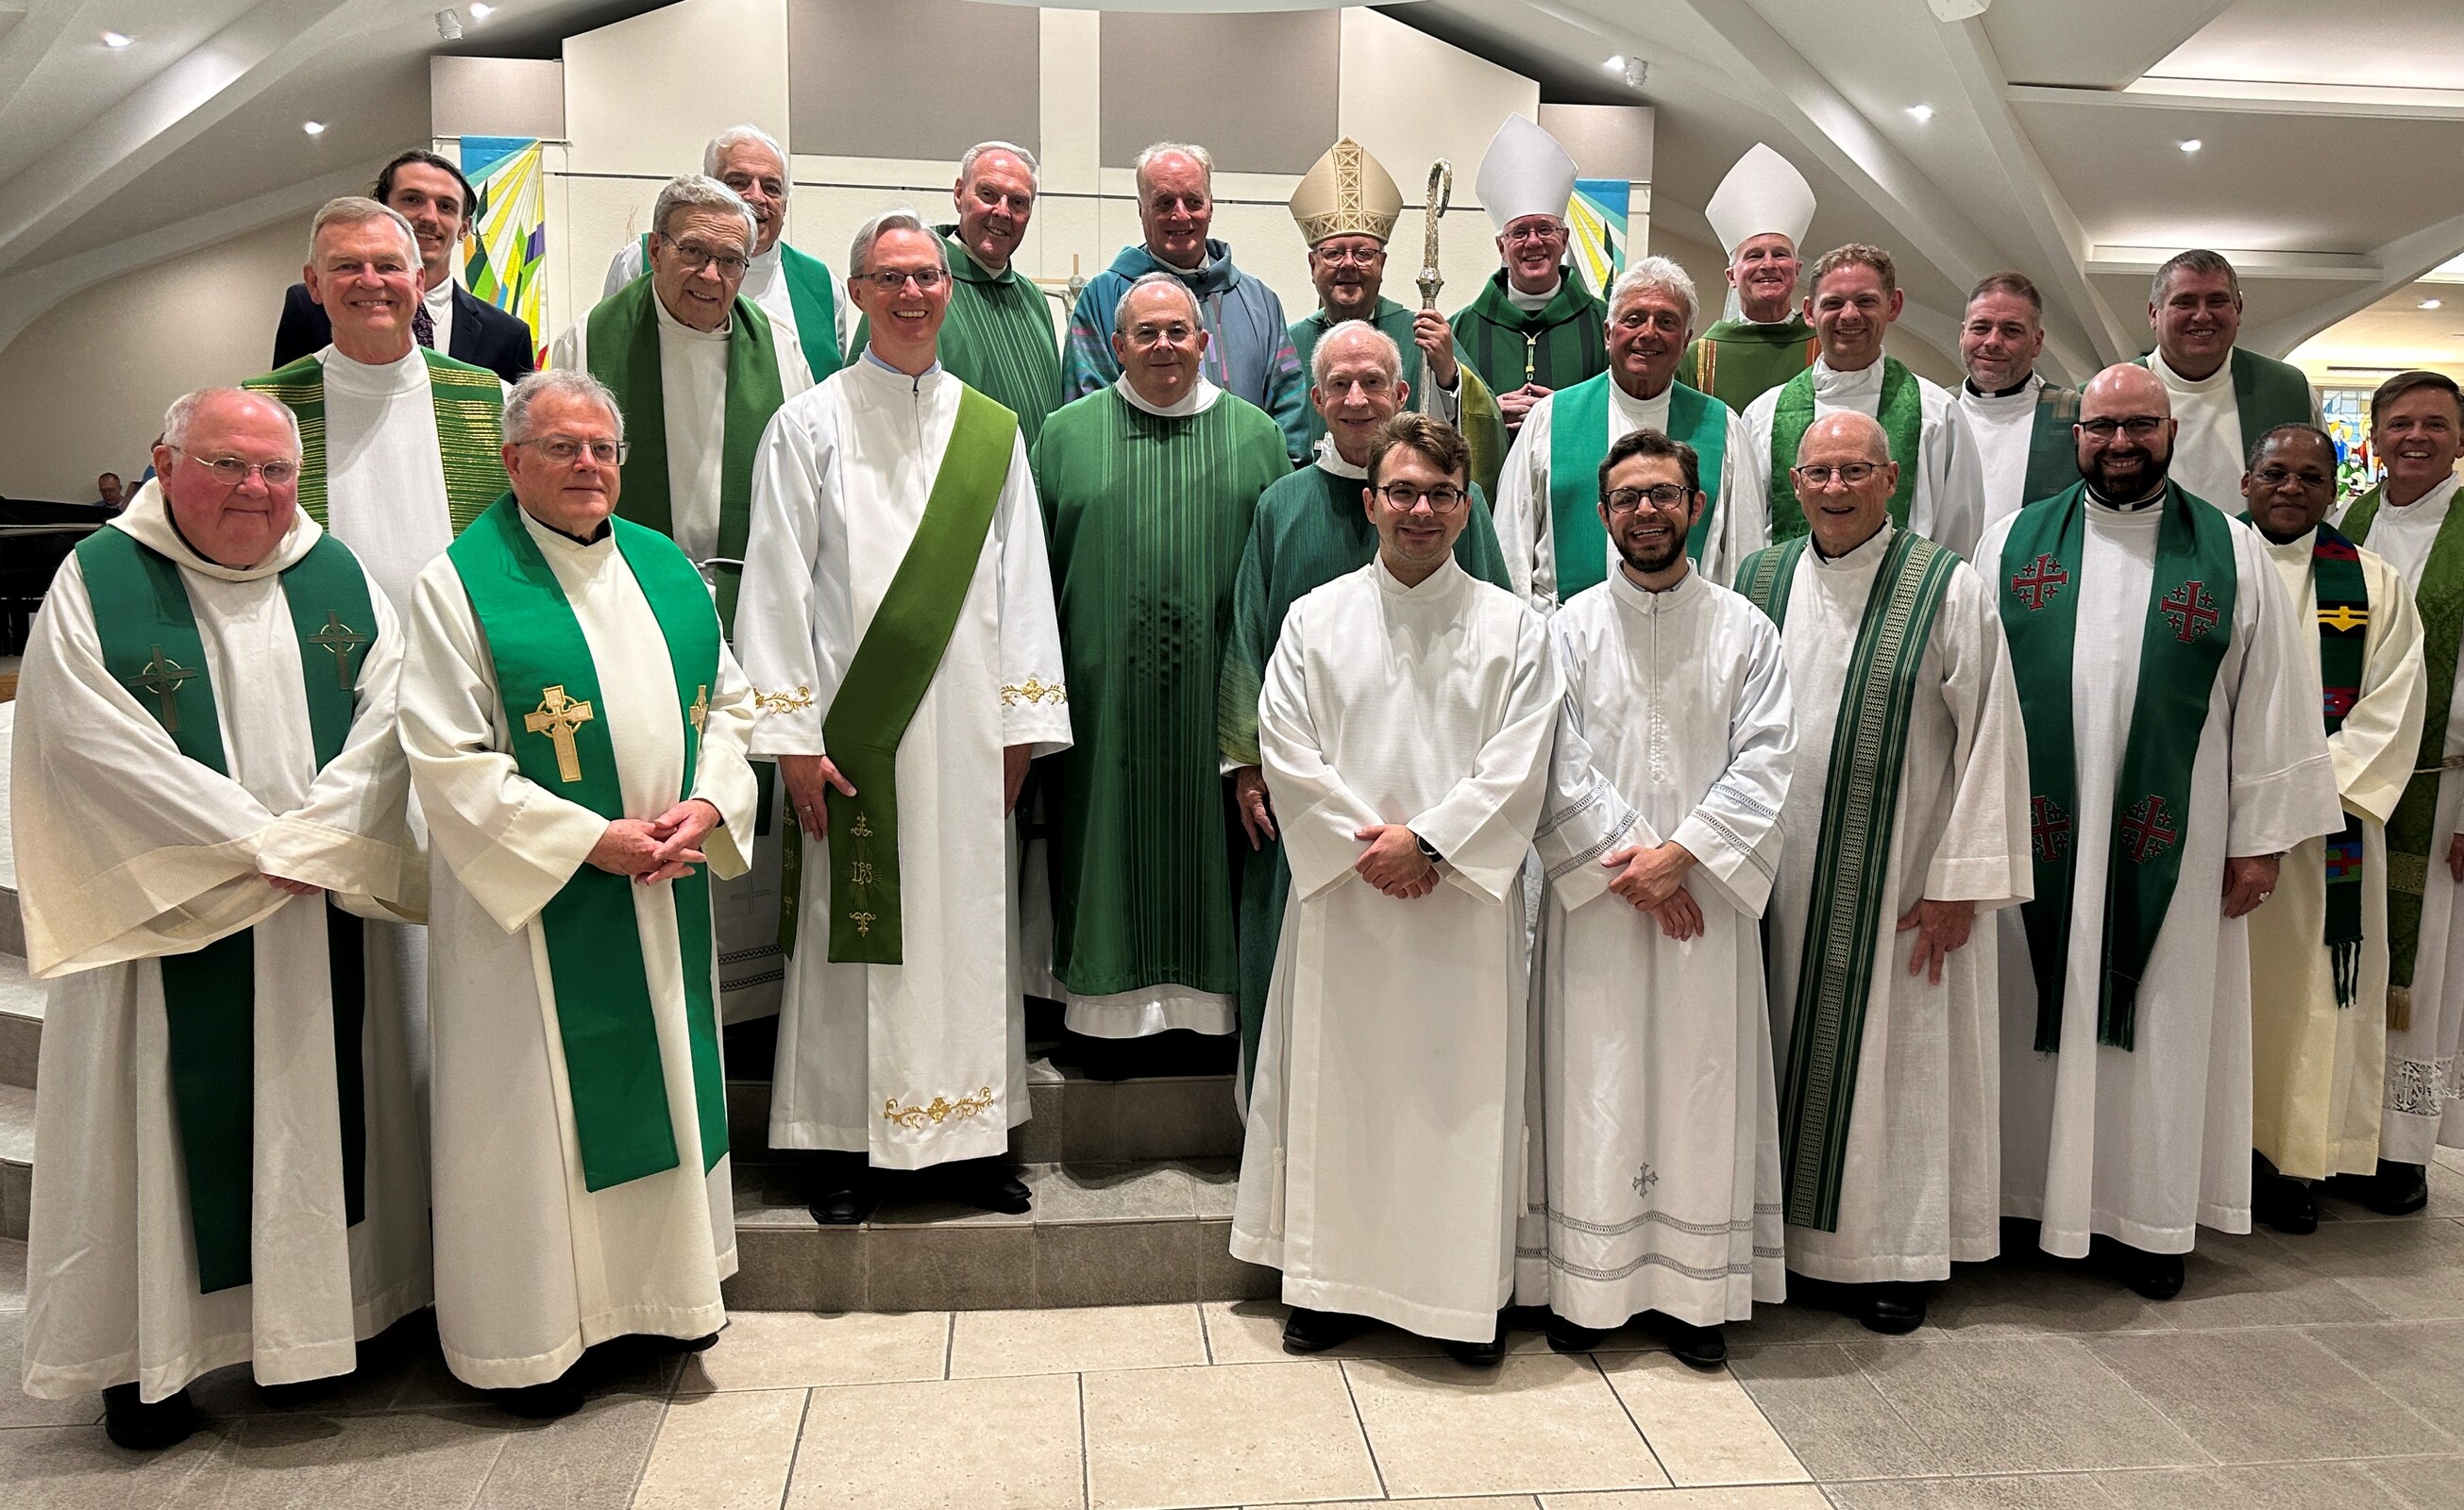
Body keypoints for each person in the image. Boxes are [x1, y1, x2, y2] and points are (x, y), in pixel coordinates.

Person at [18, 389, 428, 1449]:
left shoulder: (337, 574)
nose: (255, 489)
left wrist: (322, 836)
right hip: (173, 914)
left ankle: (310, 1335)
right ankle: (146, 1359)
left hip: (317, 909)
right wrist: (264, 846)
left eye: (276, 470)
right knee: (153, 1125)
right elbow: (86, 741)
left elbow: (393, 715)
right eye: (225, 464)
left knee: (320, 1108)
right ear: (163, 463)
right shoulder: (99, 579)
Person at [400, 369, 756, 1417]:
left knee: (665, 1083)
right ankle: (537, 1340)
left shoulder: (663, 567)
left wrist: (709, 803)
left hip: (661, 885)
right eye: (562, 447)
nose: (588, 465)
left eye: (603, 448)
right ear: (513, 461)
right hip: (535, 920)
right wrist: (587, 840)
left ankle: (665, 1299)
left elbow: (730, 704)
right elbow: (446, 757)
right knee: (535, 1120)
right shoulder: (461, 584)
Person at [735, 209, 1072, 1222]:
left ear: (948, 290)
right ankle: (845, 1145)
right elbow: (777, 584)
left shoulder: (992, 431)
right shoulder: (807, 425)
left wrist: (1022, 728)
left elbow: (1023, 581)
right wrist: (791, 738)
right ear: (858, 293)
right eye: (891, 278)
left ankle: (970, 1140)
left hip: (969, 735)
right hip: (853, 734)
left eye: (927, 276)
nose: (913, 294)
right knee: (854, 939)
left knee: (966, 934)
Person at [1987, 364, 2340, 1300]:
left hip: (2177, 842)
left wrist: (2260, 837)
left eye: (2139, 425)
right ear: (2077, 435)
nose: (2120, 443)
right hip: (2038, 837)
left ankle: (2146, 1219)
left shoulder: (2231, 550)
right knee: (2030, 1004)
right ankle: (2024, 1200)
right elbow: (1975, 696)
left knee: (2166, 1019)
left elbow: (2274, 702)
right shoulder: (2010, 543)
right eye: (2102, 426)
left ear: (2171, 432)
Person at [1229, 412, 1557, 1367]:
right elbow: (1285, 747)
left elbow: (1522, 758)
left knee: (1458, 1101)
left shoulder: (1513, 627)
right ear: (1370, 502)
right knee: (1344, 1092)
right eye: (1403, 492)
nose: (1421, 511)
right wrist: (1377, 850)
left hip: (1461, 912)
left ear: (1466, 508)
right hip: (1347, 903)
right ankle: (1328, 1286)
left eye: (1441, 495)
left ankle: (1461, 1298)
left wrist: (1434, 845)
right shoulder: (1315, 618)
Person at [1733, 411, 2028, 1333]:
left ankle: (1891, 1257)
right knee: (1781, 1052)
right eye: (1818, 472)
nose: (1834, 488)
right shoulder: (1759, 578)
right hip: (1776, 882)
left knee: (1896, 1070)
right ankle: (1778, 1243)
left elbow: (1993, 734)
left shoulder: (1947, 585)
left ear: (1890, 479)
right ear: (1794, 484)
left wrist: (1959, 881)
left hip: (1899, 882)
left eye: (1854, 470)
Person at [1523, 428, 1793, 1365]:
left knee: (1697, 1080)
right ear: (1603, 514)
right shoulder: (1565, 631)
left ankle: (1692, 1293)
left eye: (1664, 494)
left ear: (1697, 505)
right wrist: (1638, 868)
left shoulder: (1746, 630)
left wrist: (1681, 859)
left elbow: (1768, 759)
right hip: (1600, 906)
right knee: (1593, 1080)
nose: (1647, 511)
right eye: (1629, 497)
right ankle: (1585, 1287)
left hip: (1701, 908)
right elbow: (1552, 762)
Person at [1220, 324, 1513, 1092]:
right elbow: (1250, 634)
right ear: (1315, 399)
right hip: (1312, 802)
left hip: (1439, 790)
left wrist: (1439, 834)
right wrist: (1247, 761)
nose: (1357, 399)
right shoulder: (1282, 505)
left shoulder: (1461, 504)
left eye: (1374, 382)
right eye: (1341, 385)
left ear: (1401, 393)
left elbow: (1500, 629)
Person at [552, 174, 815, 1027]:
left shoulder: (778, 346)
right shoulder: (590, 339)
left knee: (738, 780)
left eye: (730, 260)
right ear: (655, 249)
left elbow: (806, 475)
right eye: (692, 252)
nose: (711, 275)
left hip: (750, 597)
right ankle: (656, 994)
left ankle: (748, 1005)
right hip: (625, 597)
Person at [1033, 274, 1289, 1049]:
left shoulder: (1256, 436)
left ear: (1205, 342)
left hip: (1217, 704)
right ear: (1116, 345)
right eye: (1145, 333)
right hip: (1098, 705)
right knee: (1103, 853)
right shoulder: (1065, 435)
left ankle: (1208, 1022)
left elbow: (1272, 584)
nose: (1164, 345)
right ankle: (1102, 1022)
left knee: (1211, 861)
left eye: (1179, 331)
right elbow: (1032, 577)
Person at [2237, 424, 2425, 1233]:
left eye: (2311, 477)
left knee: (2309, 997)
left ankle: (2290, 1158)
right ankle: (2211, 1151)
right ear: (2246, 480)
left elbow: (2390, 710)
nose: (2291, 487)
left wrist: (2294, 803)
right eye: (2275, 472)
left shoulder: (2372, 583)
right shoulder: (2204, 567)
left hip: (2321, 838)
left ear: (2333, 488)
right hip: (2216, 831)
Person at [2329, 370, 2464, 1214]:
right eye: (2401, 423)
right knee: (2345, 953)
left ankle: (2402, 1150)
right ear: (2374, 437)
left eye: (2436, 424)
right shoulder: (2347, 521)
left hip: (2439, 788)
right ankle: (2339, 1132)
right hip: (2349, 782)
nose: (2416, 438)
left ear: (2461, 439)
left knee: (2427, 964)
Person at [244, 196, 507, 614]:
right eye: (346, 266)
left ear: (418, 281)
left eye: (388, 266)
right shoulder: (263, 410)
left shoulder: (494, 399)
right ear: (313, 283)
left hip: (466, 639)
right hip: (324, 638)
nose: (369, 281)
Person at [1493, 257, 1754, 602]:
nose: (1649, 333)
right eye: (1634, 319)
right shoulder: (1550, 419)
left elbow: (1744, 552)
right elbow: (1510, 542)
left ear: (1686, 340)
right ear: (1608, 333)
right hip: (1566, 630)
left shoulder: (1722, 428)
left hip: (1692, 629)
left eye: (1667, 321)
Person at [1735, 243, 1988, 562]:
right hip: (1791, 591)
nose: (1850, 315)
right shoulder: (1765, 414)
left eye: (1866, 301)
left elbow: (1959, 531)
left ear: (1893, 305)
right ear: (1810, 312)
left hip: (1905, 589)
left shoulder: (1936, 412)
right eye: (1833, 303)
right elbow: (1745, 530)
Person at [1062, 142, 1308, 459]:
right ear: (1141, 209)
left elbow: (1289, 410)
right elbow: (1087, 414)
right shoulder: (1102, 298)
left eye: (1193, 201)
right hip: (1135, 482)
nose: (1180, 215)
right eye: (1164, 203)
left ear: (1210, 206)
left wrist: (1274, 482)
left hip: (1245, 485)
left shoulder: (1259, 302)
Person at [1284, 136, 1504, 488]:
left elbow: (1483, 428)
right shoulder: (1289, 344)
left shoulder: (1419, 335)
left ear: (1382, 264)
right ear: (1313, 265)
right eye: (1334, 253)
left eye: (1363, 253)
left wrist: (1448, 374)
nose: (1348, 265)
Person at [850, 142, 1064, 450]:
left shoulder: (1034, 299)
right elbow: (864, 399)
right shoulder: (913, 291)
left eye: (1018, 202)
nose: (1002, 211)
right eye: (988, 194)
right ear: (959, 194)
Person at [602, 125, 846, 385]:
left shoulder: (822, 286)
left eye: (771, 187)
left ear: (785, 205)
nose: (756, 197)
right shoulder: (643, 259)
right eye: (738, 182)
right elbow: (607, 355)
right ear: (708, 188)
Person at [272, 148, 536, 385]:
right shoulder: (309, 306)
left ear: (464, 228)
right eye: (412, 199)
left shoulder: (507, 336)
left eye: (445, 206)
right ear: (381, 208)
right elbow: (290, 401)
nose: (429, 217)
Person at [1451, 114, 1607, 435]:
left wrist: (1564, 412)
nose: (1534, 242)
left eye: (1545, 229)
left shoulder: (1604, 323)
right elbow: (1438, 420)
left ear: (1564, 239)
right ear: (1501, 246)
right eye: (1520, 232)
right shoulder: (1460, 329)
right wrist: (1488, 412)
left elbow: (1621, 410)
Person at [2139, 249, 2320, 511]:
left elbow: (2319, 493)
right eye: (2185, 302)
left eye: (2217, 301)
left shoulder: (2289, 389)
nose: (2202, 315)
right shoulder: (2106, 397)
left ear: (2238, 310)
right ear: (2154, 314)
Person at [1681, 143, 1818, 412]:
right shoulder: (1698, 358)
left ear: (1797, 269)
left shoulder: (1826, 347)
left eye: (1780, 254)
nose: (1768, 264)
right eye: (1754, 256)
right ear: (1731, 276)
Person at [1957, 272, 2080, 530]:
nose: (1992, 341)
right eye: (1981, 328)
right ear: (1962, 335)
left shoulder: (2076, 414)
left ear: (2037, 342)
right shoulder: (1934, 408)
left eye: (2011, 331)